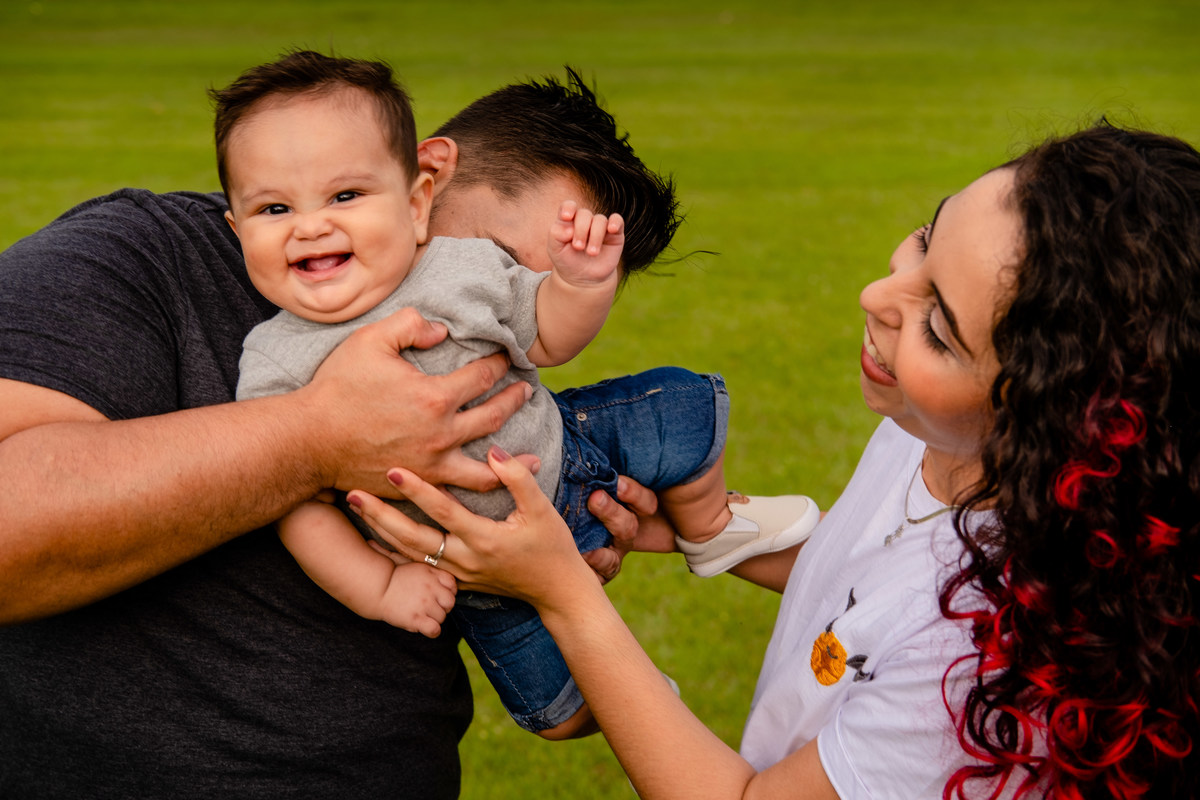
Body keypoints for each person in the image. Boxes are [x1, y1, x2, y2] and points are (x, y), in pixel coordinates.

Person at [352, 123, 1200, 799]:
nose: (878, 294)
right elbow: (881, 591)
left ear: (1048, 418)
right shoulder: (933, 435)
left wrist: (562, 594)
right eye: (924, 239)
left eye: (938, 327)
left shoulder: (983, 672)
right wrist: (696, 530)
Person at [0, 64, 682, 798]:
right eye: (512, 266)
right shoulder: (139, 257)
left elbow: (562, 700)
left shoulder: (467, 340)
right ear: (432, 178)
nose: (495, 309)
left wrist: (553, 558)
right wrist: (319, 436)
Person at [219, 51, 819, 738]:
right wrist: (380, 584)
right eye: (274, 209)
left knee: (687, 406)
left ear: (415, 200)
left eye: (346, 197)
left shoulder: (459, 267)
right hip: (466, 556)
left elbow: (550, 337)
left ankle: (710, 526)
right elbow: (290, 499)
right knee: (559, 710)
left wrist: (584, 283)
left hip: (563, 451)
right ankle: (642, 695)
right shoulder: (272, 358)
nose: (312, 226)